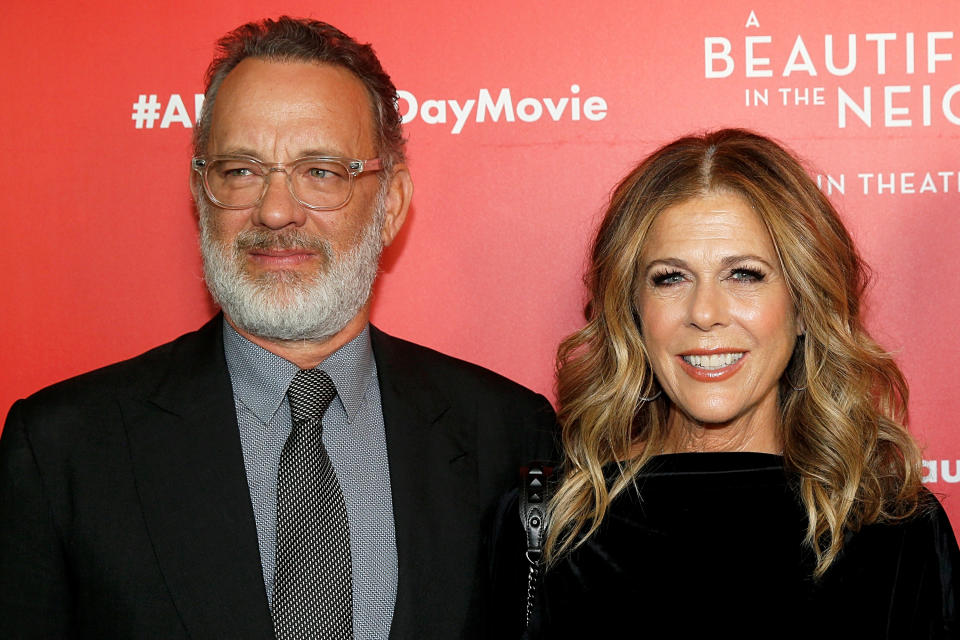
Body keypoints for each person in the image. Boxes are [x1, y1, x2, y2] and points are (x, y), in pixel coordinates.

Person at [0, 17, 555, 640]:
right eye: (241, 170)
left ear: (392, 203)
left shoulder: (507, 433)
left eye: (321, 172)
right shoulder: (63, 448)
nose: (274, 209)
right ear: (199, 192)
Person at [490, 129, 960, 639]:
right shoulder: (549, 530)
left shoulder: (894, 532)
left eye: (745, 275)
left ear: (804, 305)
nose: (705, 314)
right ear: (632, 312)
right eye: (671, 278)